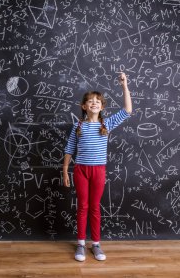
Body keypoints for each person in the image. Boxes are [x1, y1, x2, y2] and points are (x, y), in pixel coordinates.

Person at [62, 72, 132, 262]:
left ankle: (96, 244)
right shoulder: (79, 126)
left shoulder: (107, 124)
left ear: (102, 106)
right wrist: (65, 171)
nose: (94, 103)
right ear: (84, 107)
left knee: (94, 207)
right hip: (81, 171)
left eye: (97, 101)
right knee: (82, 206)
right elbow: (69, 149)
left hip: (98, 170)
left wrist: (124, 86)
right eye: (90, 101)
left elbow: (127, 110)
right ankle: (81, 244)